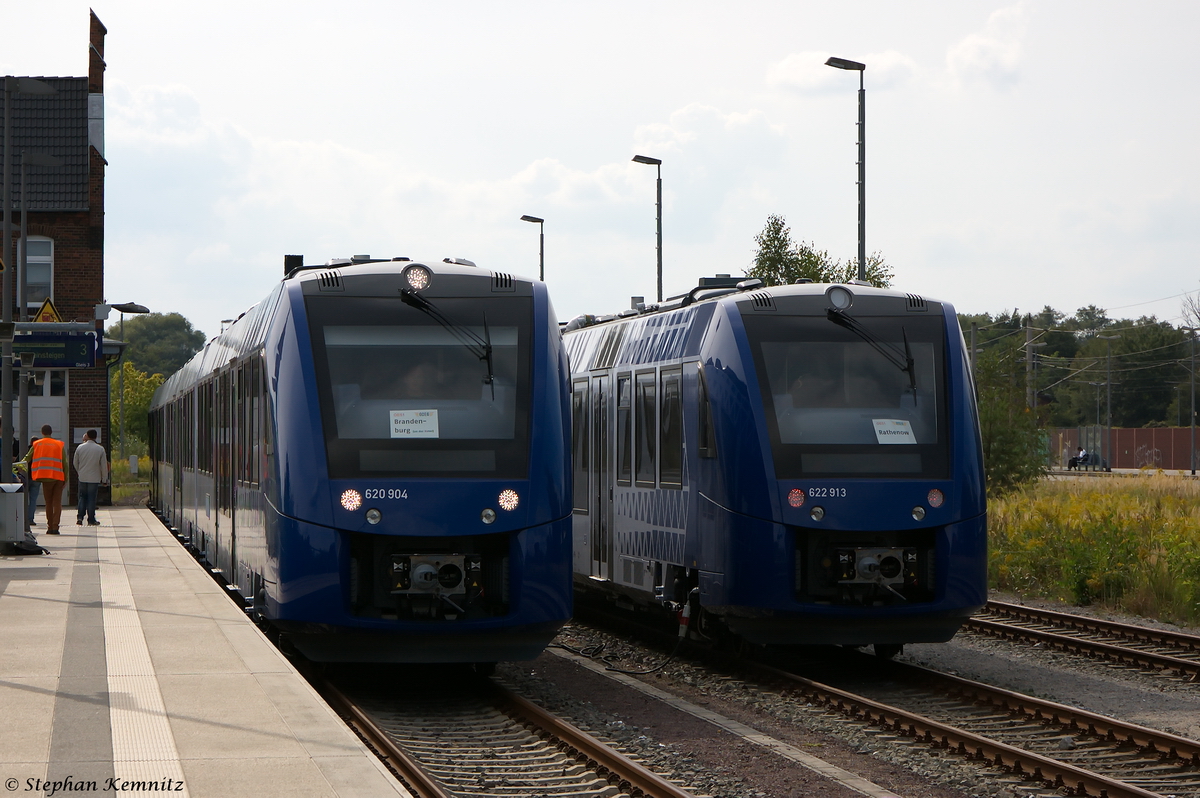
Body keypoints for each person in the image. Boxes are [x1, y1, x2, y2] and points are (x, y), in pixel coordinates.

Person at [31, 425, 68, 535]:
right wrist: (66, 478)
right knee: (57, 503)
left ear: (42, 432)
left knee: (48, 503)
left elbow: (28, 457)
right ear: (51, 432)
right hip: (59, 477)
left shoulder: (37, 444)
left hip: (46, 477)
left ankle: (50, 526)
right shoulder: (59, 444)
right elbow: (64, 463)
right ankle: (56, 527)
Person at [73, 429, 108, 526]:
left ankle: (80, 517)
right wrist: (104, 479)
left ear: (87, 435)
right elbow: (103, 466)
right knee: (92, 498)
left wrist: (79, 471)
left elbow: (75, 462)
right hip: (94, 478)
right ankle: (91, 519)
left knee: (82, 497)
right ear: (96, 437)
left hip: (83, 476)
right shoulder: (100, 449)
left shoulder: (80, 448)